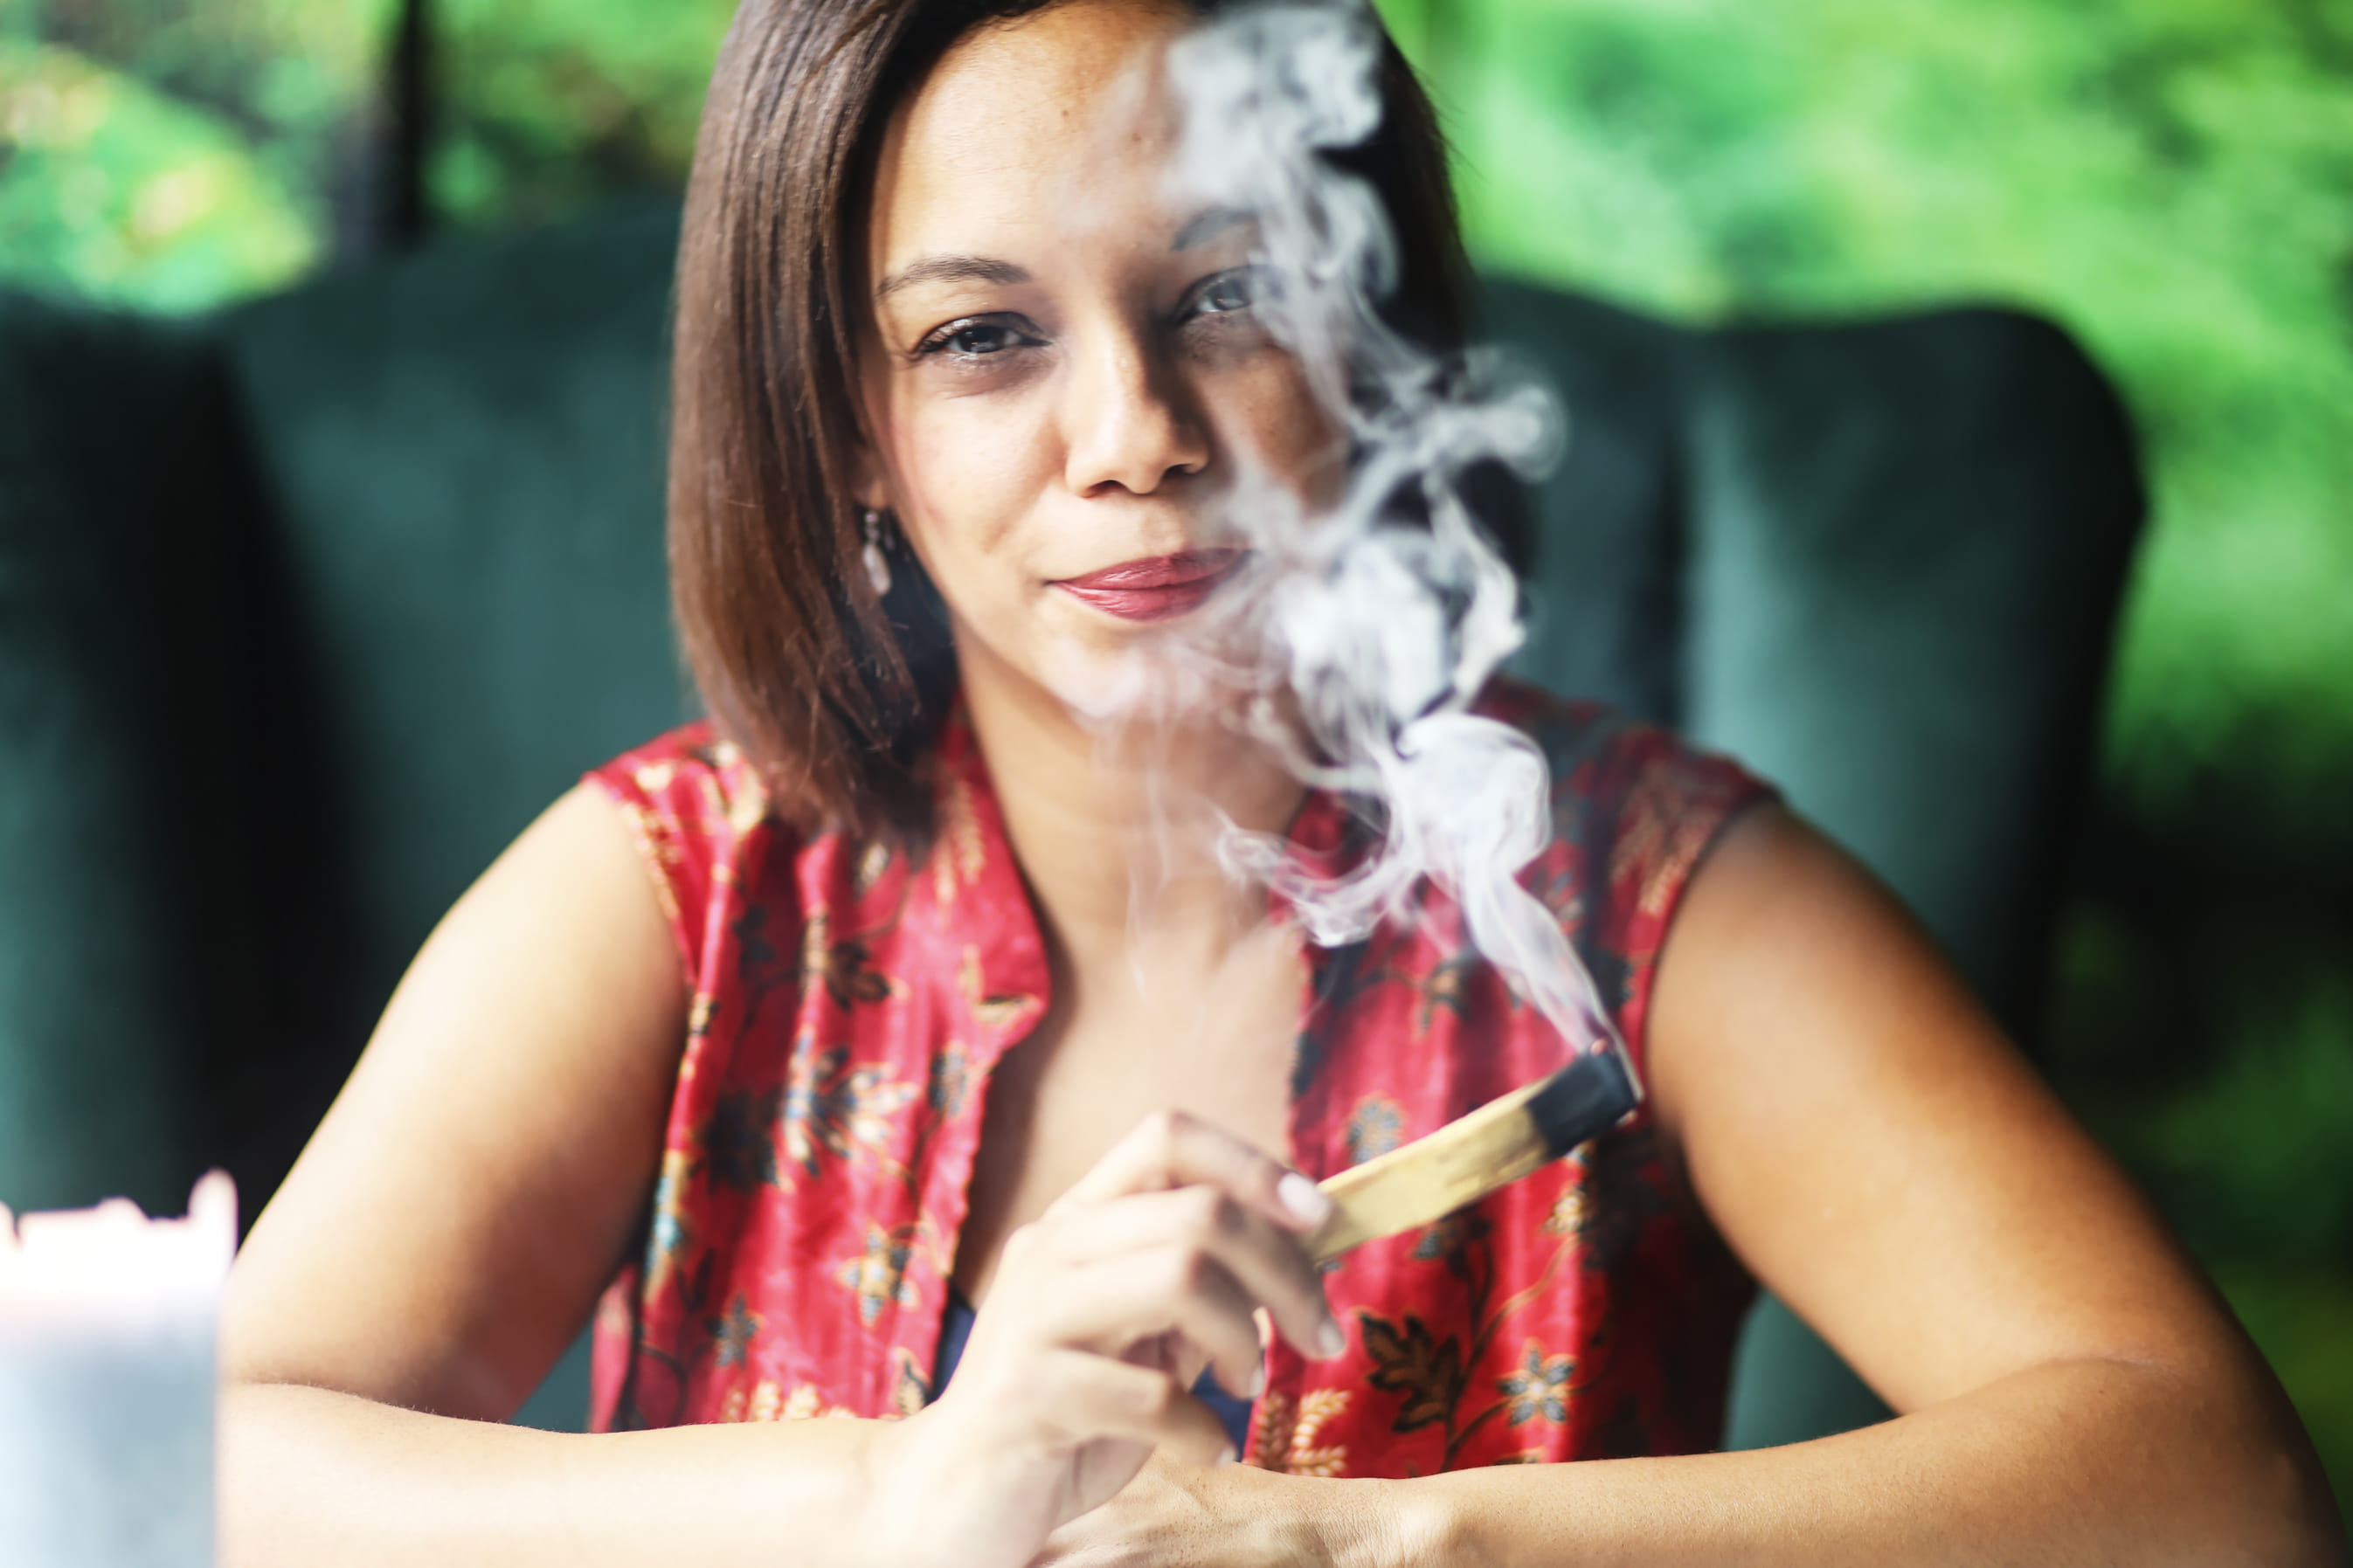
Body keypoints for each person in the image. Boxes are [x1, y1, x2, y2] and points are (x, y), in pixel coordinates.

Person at [218, 0, 2344, 1563]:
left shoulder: (1648, 897)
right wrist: (895, 1500)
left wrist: (1381, 1546)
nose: (1137, 432)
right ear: (851, 427)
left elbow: (2221, 1492)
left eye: (1229, 293)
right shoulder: (685, 886)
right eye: (982, 337)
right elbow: (215, 1462)